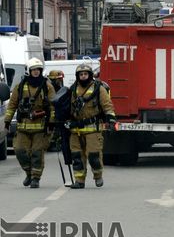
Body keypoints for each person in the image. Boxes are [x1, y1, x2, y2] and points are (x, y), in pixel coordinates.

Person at [3, 58, 56, 188]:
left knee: (37, 152)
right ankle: (29, 173)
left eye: (38, 70)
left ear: (41, 71)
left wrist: (51, 122)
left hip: (40, 127)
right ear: (29, 71)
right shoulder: (20, 86)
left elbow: (53, 106)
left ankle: (35, 178)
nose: (36, 72)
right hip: (23, 126)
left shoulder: (47, 86)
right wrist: (7, 121)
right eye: (33, 70)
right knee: (20, 151)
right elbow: (12, 105)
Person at [67, 63, 116, 189]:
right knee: (77, 156)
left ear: (90, 75)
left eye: (85, 74)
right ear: (77, 76)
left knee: (94, 155)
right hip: (75, 129)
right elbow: (67, 108)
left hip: (93, 129)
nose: (83, 76)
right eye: (81, 74)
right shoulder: (72, 90)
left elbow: (107, 105)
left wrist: (111, 119)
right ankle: (79, 180)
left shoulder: (98, 88)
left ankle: (98, 176)